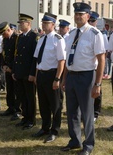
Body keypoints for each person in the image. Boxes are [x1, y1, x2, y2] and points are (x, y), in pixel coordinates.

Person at [61, 3, 105, 155]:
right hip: (72, 76)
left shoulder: (94, 34)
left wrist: (97, 84)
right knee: (72, 112)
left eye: (82, 14)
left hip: (86, 77)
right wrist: (64, 78)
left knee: (87, 113)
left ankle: (88, 145)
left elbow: (101, 59)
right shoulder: (72, 34)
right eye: (77, 14)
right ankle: (75, 141)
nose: (78, 16)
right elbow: (68, 58)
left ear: (88, 16)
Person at [32, 13, 66, 143]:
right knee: (43, 104)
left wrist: (57, 79)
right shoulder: (41, 39)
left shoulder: (58, 39)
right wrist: (36, 75)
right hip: (41, 75)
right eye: (43, 23)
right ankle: (45, 128)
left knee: (55, 105)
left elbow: (61, 61)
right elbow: (37, 60)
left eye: (46, 23)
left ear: (53, 25)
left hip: (52, 74)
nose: (43, 25)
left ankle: (54, 130)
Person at [12, 13, 37, 130]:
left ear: (29, 23)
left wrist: (32, 74)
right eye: (20, 23)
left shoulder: (34, 37)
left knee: (30, 97)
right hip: (20, 72)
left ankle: (31, 120)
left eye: (22, 23)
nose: (20, 25)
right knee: (22, 97)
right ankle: (25, 117)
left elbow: (34, 58)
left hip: (28, 73)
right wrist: (14, 70)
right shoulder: (20, 37)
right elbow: (16, 55)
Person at [0, 22, 21, 118]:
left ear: (8, 30)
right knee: (9, 90)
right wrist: (3, 65)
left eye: (3, 33)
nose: (3, 35)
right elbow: (3, 53)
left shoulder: (17, 38)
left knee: (17, 91)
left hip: (14, 69)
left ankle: (18, 110)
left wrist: (12, 68)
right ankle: (11, 107)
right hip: (7, 68)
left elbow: (17, 56)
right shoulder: (5, 40)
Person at [88, 11, 108, 122]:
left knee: (97, 90)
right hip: (88, 66)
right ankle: (87, 110)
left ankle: (96, 112)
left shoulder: (101, 35)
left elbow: (103, 54)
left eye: (92, 21)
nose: (90, 22)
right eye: (89, 20)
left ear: (96, 22)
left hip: (96, 66)